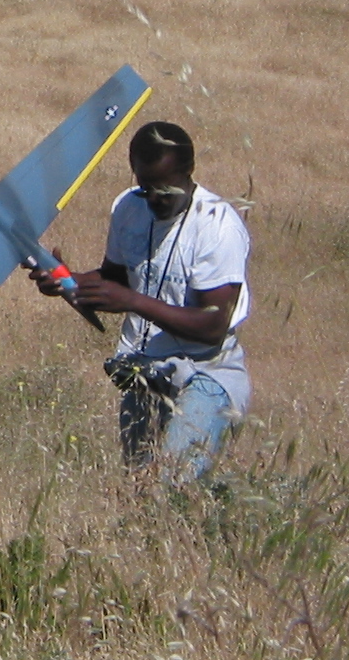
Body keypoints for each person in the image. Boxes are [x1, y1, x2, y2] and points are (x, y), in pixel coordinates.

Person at [31, 120, 251, 480]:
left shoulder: (216, 225)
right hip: (146, 370)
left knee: (173, 482)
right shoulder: (128, 208)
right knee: (139, 487)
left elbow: (212, 326)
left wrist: (132, 301)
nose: (153, 199)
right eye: (144, 186)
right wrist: (66, 280)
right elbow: (116, 278)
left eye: (164, 189)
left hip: (207, 372)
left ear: (188, 171)